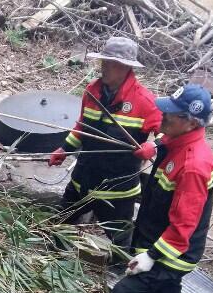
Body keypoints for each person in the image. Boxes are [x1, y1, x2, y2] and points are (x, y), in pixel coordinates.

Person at [109, 84, 213, 293]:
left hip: (172, 249)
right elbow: (166, 140)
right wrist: (153, 145)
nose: (163, 116)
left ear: (190, 121)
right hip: (156, 236)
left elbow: (183, 227)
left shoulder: (193, 166)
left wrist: (152, 257)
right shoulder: (179, 140)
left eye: (171, 114)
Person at [48, 37, 162, 257]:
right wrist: (64, 149)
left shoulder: (144, 100)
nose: (104, 67)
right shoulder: (92, 91)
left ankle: (120, 275)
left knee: (120, 241)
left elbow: (166, 134)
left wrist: (152, 146)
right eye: (104, 62)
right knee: (59, 224)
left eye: (110, 63)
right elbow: (81, 126)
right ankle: (54, 260)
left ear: (126, 67)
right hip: (84, 179)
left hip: (117, 190)